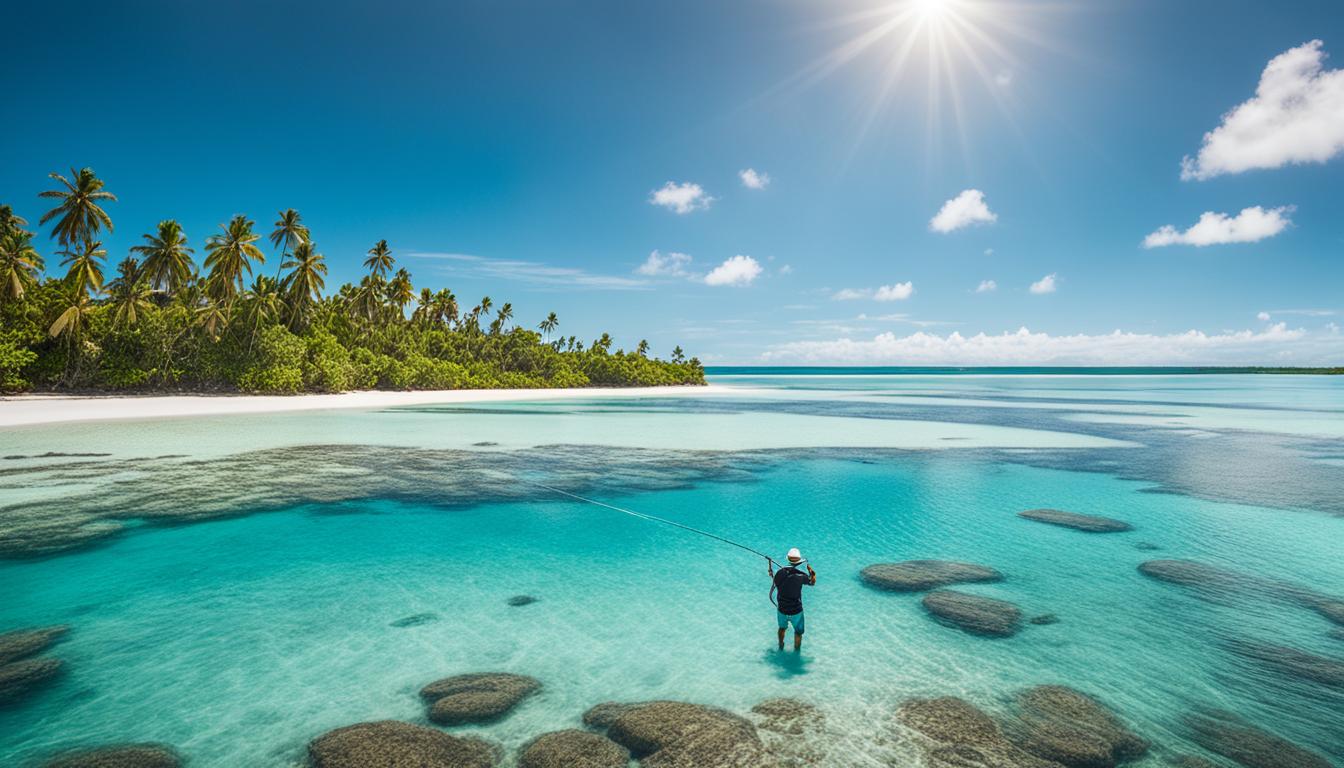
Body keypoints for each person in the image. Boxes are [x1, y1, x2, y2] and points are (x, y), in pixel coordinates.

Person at [769, 547, 816, 651]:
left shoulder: (779, 573)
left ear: (788, 560)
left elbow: (775, 582)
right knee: (798, 633)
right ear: (799, 562)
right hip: (796, 611)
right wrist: (811, 571)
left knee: (782, 628)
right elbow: (812, 582)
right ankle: (797, 650)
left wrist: (771, 573)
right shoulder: (801, 576)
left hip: (782, 609)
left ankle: (781, 645)